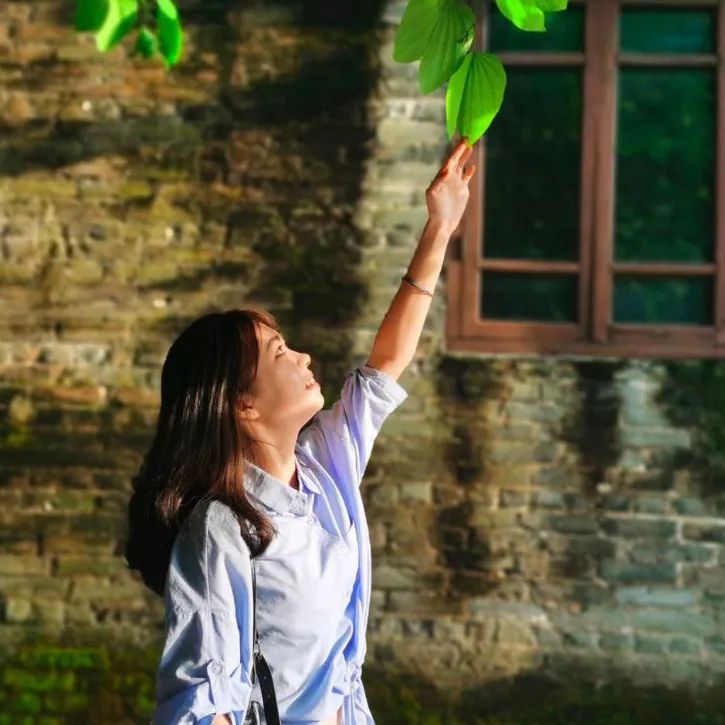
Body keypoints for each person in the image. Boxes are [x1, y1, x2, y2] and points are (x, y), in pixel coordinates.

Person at [125, 139, 476, 724]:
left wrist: (440, 228)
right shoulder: (220, 528)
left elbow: (385, 364)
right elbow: (204, 695)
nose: (305, 357)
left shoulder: (322, 470)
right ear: (239, 403)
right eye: (280, 351)